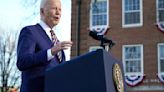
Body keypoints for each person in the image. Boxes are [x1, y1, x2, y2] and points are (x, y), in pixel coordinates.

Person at [16, 0, 73, 92]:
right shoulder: (30, 32)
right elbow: (22, 62)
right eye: (54, 8)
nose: (58, 13)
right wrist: (50, 52)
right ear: (42, 11)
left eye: (60, 9)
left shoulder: (57, 42)